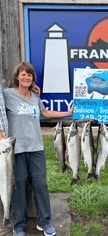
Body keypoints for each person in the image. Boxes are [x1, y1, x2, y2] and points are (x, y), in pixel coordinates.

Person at [3, 62, 73, 236]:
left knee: (40, 185)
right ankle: (17, 226)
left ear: (32, 78)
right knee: (17, 186)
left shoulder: (35, 97)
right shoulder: (7, 94)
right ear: (17, 77)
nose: (26, 77)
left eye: (29, 75)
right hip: (15, 150)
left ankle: (44, 222)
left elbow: (45, 113)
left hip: (36, 149)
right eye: (23, 74)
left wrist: (67, 113)